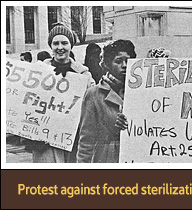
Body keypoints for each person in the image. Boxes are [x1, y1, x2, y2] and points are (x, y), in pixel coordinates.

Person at [25, 22, 95, 163]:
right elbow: (28, 105)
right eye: (55, 43)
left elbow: (93, 106)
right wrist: (29, 136)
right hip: (45, 144)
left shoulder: (84, 75)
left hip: (74, 142)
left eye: (64, 43)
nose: (60, 47)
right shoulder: (39, 72)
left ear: (71, 45)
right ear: (51, 46)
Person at [76, 39, 137, 163]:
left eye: (128, 60)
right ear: (108, 64)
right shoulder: (94, 94)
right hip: (106, 159)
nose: (125, 65)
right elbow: (86, 141)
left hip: (135, 158)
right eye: (118, 61)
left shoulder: (140, 93)